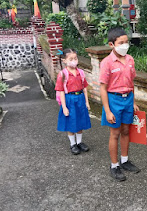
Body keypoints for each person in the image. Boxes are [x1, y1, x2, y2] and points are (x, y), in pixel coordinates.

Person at [99, 27, 140, 181]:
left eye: (126, 42)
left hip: (128, 99)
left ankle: (125, 160)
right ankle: (114, 165)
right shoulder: (107, 63)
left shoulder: (130, 59)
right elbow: (102, 88)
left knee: (125, 130)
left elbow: (132, 82)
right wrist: (107, 110)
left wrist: (133, 101)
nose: (125, 45)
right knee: (115, 133)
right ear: (112, 44)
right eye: (121, 43)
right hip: (114, 100)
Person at [55, 48, 92, 155]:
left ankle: (79, 142)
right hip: (69, 100)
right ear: (64, 60)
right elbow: (61, 91)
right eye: (71, 59)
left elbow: (84, 88)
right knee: (71, 122)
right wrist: (64, 107)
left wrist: (87, 102)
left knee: (80, 121)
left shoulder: (80, 72)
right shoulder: (63, 74)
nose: (74, 60)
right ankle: (73, 144)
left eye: (75, 58)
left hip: (80, 98)